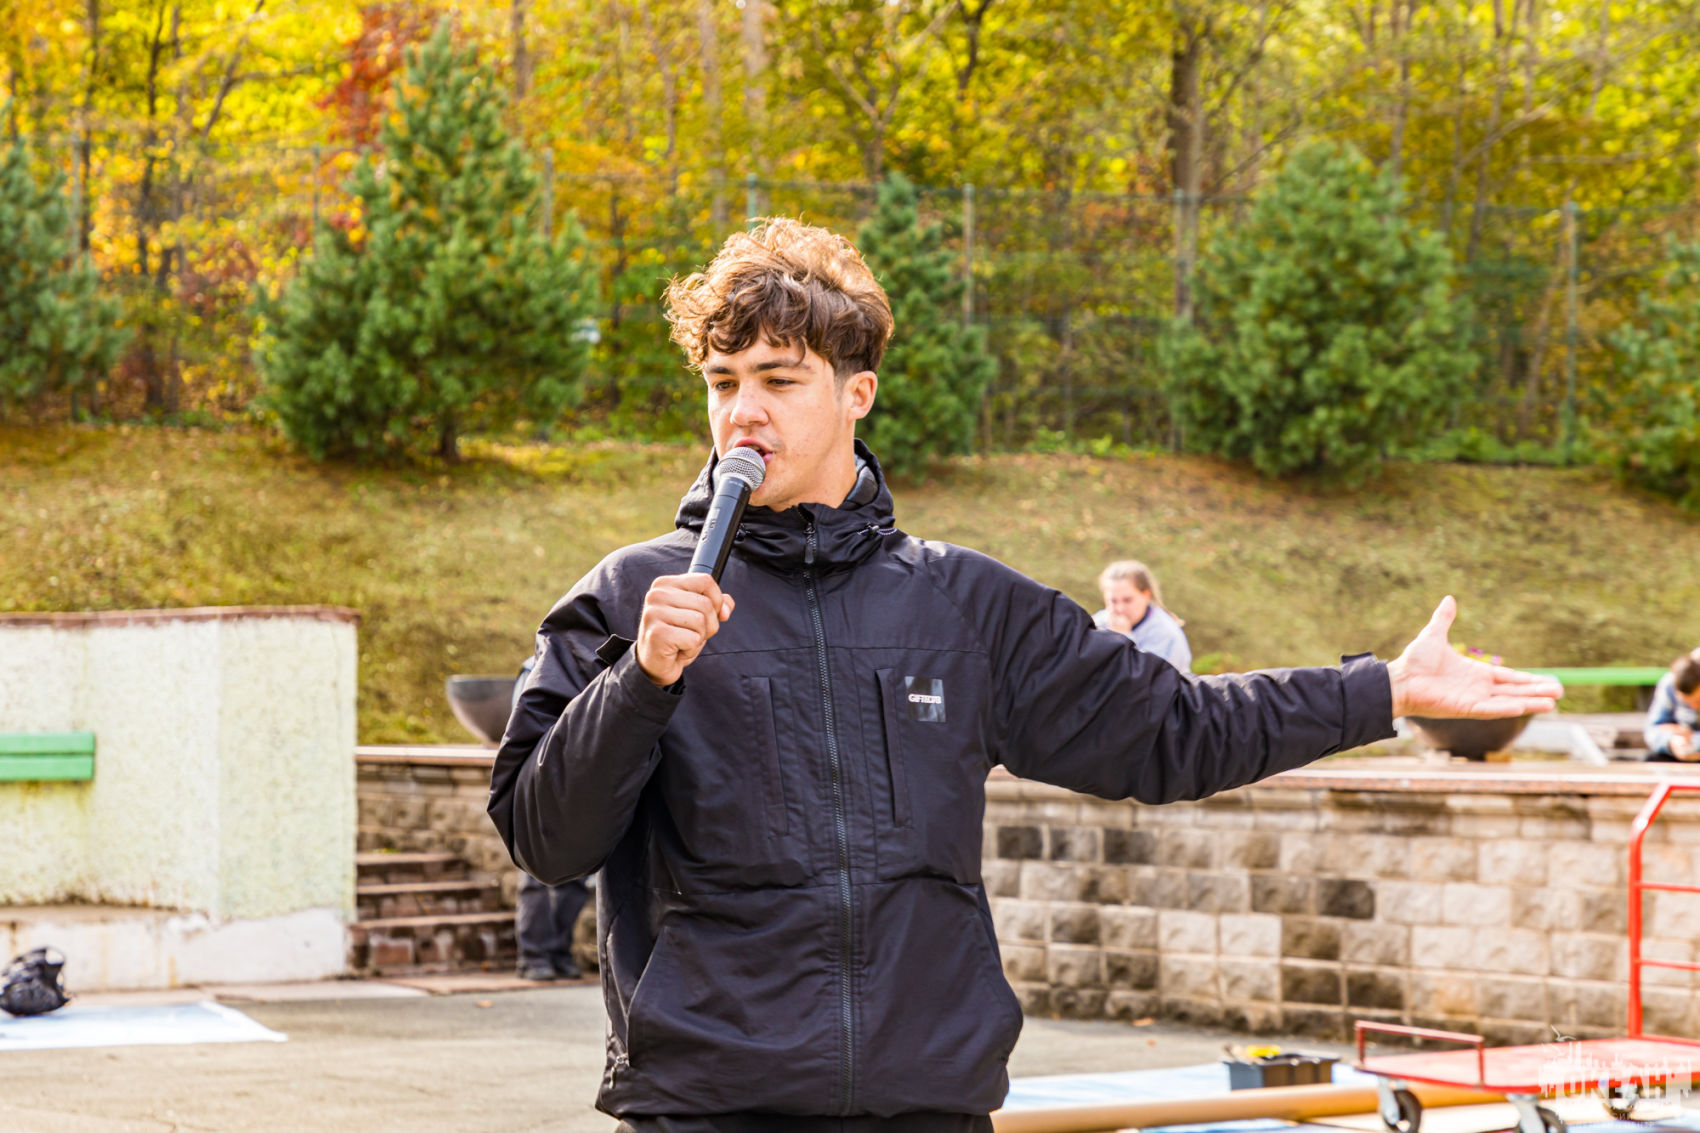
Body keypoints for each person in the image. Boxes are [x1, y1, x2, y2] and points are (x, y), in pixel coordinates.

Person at [486, 218, 1561, 1131]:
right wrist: (641, 680)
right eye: (722, 383)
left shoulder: (961, 603)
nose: (741, 413)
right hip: (708, 1104)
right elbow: (544, 836)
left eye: (778, 379)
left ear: (857, 393)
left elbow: (1172, 730)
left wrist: (1381, 690)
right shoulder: (632, 596)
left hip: (928, 1101)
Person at [510, 656, 590, 980]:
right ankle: (533, 957)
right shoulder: (535, 668)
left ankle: (559, 952)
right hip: (541, 784)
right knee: (535, 877)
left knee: (578, 876)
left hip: (582, 784)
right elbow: (519, 730)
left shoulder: (592, 661)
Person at [1093, 559, 1191, 672]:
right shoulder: (1098, 623)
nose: (1120, 609)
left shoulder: (1166, 635)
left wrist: (1122, 640)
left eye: (1127, 600)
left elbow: (1150, 678)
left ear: (1146, 595)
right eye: (1113, 601)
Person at [1644, 650, 1700, 762]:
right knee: (1651, 759)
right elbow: (1652, 729)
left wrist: (1693, 739)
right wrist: (1671, 741)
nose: (1693, 707)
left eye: (1698, 701)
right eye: (1686, 703)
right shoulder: (1669, 682)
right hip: (1679, 753)